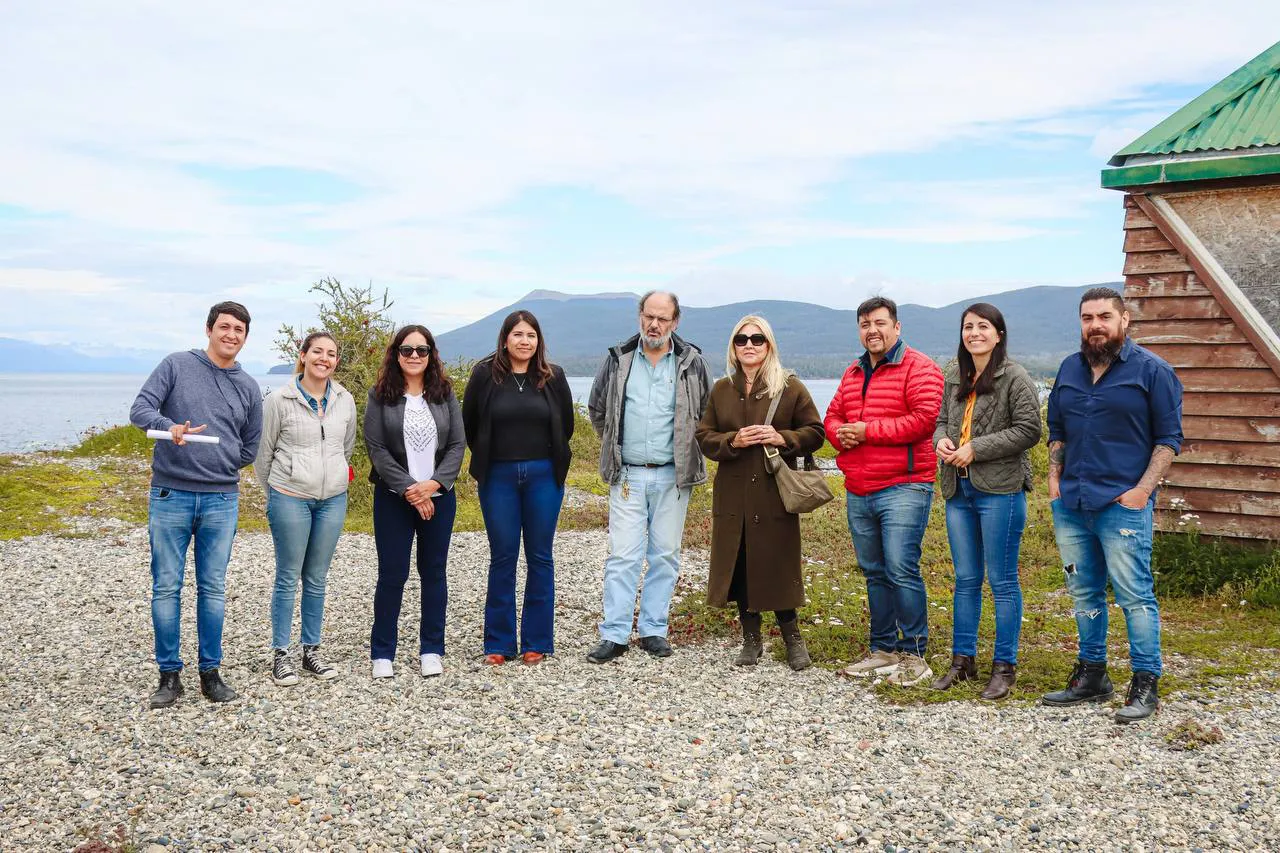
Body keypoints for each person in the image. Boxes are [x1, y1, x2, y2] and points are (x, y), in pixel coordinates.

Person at [1042, 287, 1182, 723]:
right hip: (1072, 503)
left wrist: (1142, 491)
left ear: (1125, 321)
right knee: (1082, 590)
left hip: (1122, 504)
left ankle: (1145, 683)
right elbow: (1058, 428)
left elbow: (1168, 440)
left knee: (1134, 596)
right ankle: (1092, 675)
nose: (1095, 325)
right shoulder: (1069, 369)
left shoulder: (1152, 372)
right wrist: (1053, 477)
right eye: (1087, 317)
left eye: (1104, 316)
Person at [129, 301, 263, 708]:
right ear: (209, 330)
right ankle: (169, 676)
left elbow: (250, 446)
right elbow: (140, 410)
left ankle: (211, 673)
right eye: (224, 327)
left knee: (213, 589)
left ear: (245, 337)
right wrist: (170, 429)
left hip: (222, 498)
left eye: (239, 329)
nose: (231, 335)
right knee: (166, 586)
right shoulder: (176, 365)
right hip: (171, 494)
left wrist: (218, 464)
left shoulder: (249, 386)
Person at [586, 291, 712, 663]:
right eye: (648, 316)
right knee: (623, 556)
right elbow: (597, 409)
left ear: (675, 322)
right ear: (639, 316)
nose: (654, 325)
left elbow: (705, 413)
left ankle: (654, 630)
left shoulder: (692, 362)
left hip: (674, 477)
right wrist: (614, 445)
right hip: (627, 475)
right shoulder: (618, 359)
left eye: (663, 318)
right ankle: (615, 634)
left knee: (666, 555)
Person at [825, 296, 943, 686]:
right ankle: (882, 649)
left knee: (901, 569)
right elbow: (833, 415)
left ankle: (913, 654)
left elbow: (924, 421)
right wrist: (840, 435)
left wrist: (865, 431)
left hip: (904, 486)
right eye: (864, 324)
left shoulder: (920, 368)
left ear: (897, 327)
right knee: (874, 572)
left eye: (879, 323)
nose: (871, 330)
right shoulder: (854, 372)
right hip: (860, 485)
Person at [695, 316, 825, 670]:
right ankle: (750, 638)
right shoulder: (721, 389)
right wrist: (732, 441)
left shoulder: (791, 386)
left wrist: (783, 437)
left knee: (778, 560)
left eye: (757, 339)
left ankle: (792, 637)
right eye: (741, 339)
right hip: (733, 491)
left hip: (774, 490)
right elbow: (704, 436)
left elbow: (816, 431)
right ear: (733, 347)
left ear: (769, 345)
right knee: (738, 562)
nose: (749, 345)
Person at [931, 304, 1041, 699]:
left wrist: (977, 448)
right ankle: (962, 662)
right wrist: (940, 441)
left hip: (1000, 491)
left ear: (998, 333)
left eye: (982, 327)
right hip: (958, 491)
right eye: (968, 327)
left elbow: (1030, 430)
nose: (974, 333)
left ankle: (1004, 667)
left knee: (1002, 581)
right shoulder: (953, 374)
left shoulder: (1015, 376)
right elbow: (941, 420)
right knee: (964, 580)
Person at [462, 311, 574, 666]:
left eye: (531, 335)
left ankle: (536, 641)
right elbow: (470, 423)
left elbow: (566, 425)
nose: (524, 341)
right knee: (503, 556)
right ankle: (499, 642)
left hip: (544, 475)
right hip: (498, 476)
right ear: (505, 338)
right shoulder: (484, 374)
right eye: (518, 334)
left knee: (540, 556)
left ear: (538, 340)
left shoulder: (553, 377)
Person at [254, 331, 357, 686]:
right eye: (317, 352)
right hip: (289, 496)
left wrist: (334, 480)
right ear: (303, 355)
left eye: (331, 354)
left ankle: (311, 650)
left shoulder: (345, 399)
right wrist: (278, 491)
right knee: (287, 576)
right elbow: (262, 455)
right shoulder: (279, 400)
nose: (323, 359)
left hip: (332, 500)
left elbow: (347, 448)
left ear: (336, 361)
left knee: (316, 577)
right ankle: (281, 654)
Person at [365, 325, 465, 679]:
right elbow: (376, 449)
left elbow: (457, 445)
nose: (414, 356)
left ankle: (431, 650)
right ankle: (382, 653)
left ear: (431, 355)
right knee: (392, 574)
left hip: (439, 498)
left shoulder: (444, 393)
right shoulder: (380, 395)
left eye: (421, 350)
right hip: (394, 498)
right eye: (407, 350)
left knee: (434, 573)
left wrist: (434, 484)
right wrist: (411, 488)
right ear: (396, 354)